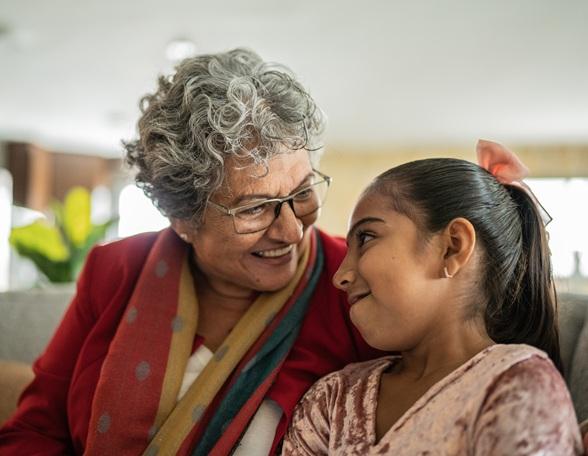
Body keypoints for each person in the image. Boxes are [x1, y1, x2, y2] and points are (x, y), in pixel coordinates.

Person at [0, 48, 381, 455]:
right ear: (182, 217)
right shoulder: (114, 271)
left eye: (303, 192)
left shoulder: (356, 280)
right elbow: (35, 431)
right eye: (253, 208)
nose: (291, 230)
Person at [283, 140, 584, 455]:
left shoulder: (519, 387)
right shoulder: (331, 400)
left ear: (452, 246)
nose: (340, 276)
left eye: (367, 237)